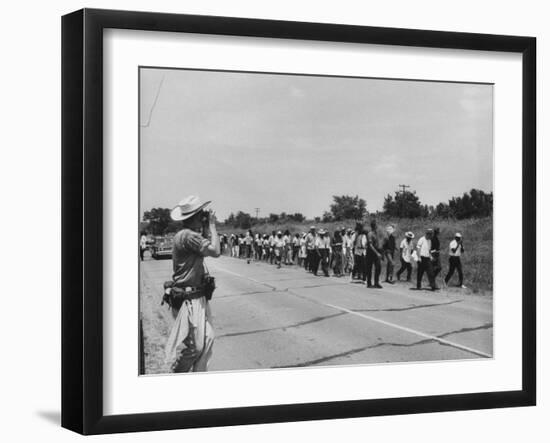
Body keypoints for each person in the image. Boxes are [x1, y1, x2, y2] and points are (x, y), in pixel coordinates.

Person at [164, 196, 220, 372]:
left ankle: (197, 380)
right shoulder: (188, 236)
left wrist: (205, 226)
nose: (203, 216)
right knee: (194, 348)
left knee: (208, 340)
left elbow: (206, 244)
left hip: (197, 296)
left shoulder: (188, 235)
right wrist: (211, 224)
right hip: (188, 300)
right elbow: (216, 251)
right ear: (193, 217)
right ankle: (177, 375)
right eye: (200, 214)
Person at [366, 219, 384, 288]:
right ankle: (369, 283)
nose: (377, 226)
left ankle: (376, 282)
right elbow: (370, 245)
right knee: (369, 268)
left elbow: (379, 243)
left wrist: (381, 252)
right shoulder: (370, 234)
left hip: (377, 251)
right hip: (370, 252)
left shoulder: (376, 233)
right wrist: (377, 253)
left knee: (378, 267)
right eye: (376, 225)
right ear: (374, 226)